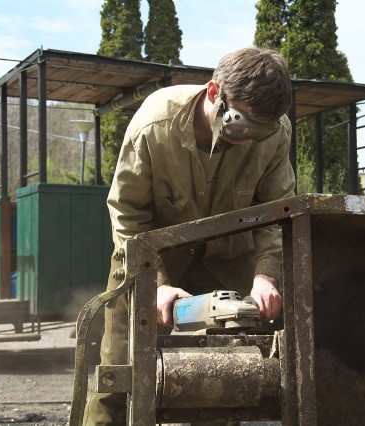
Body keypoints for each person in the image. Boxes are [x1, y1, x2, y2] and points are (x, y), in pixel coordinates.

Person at [83, 47, 295, 425]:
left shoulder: (275, 134)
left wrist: (266, 274)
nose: (247, 141)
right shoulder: (154, 123)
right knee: (119, 376)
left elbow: (276, 211)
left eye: (259, 133)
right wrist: (156, 284)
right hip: (145, 254)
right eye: (240, 126)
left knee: (226, 380)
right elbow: (128, 214)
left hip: (228, 258)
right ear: (214, 93)